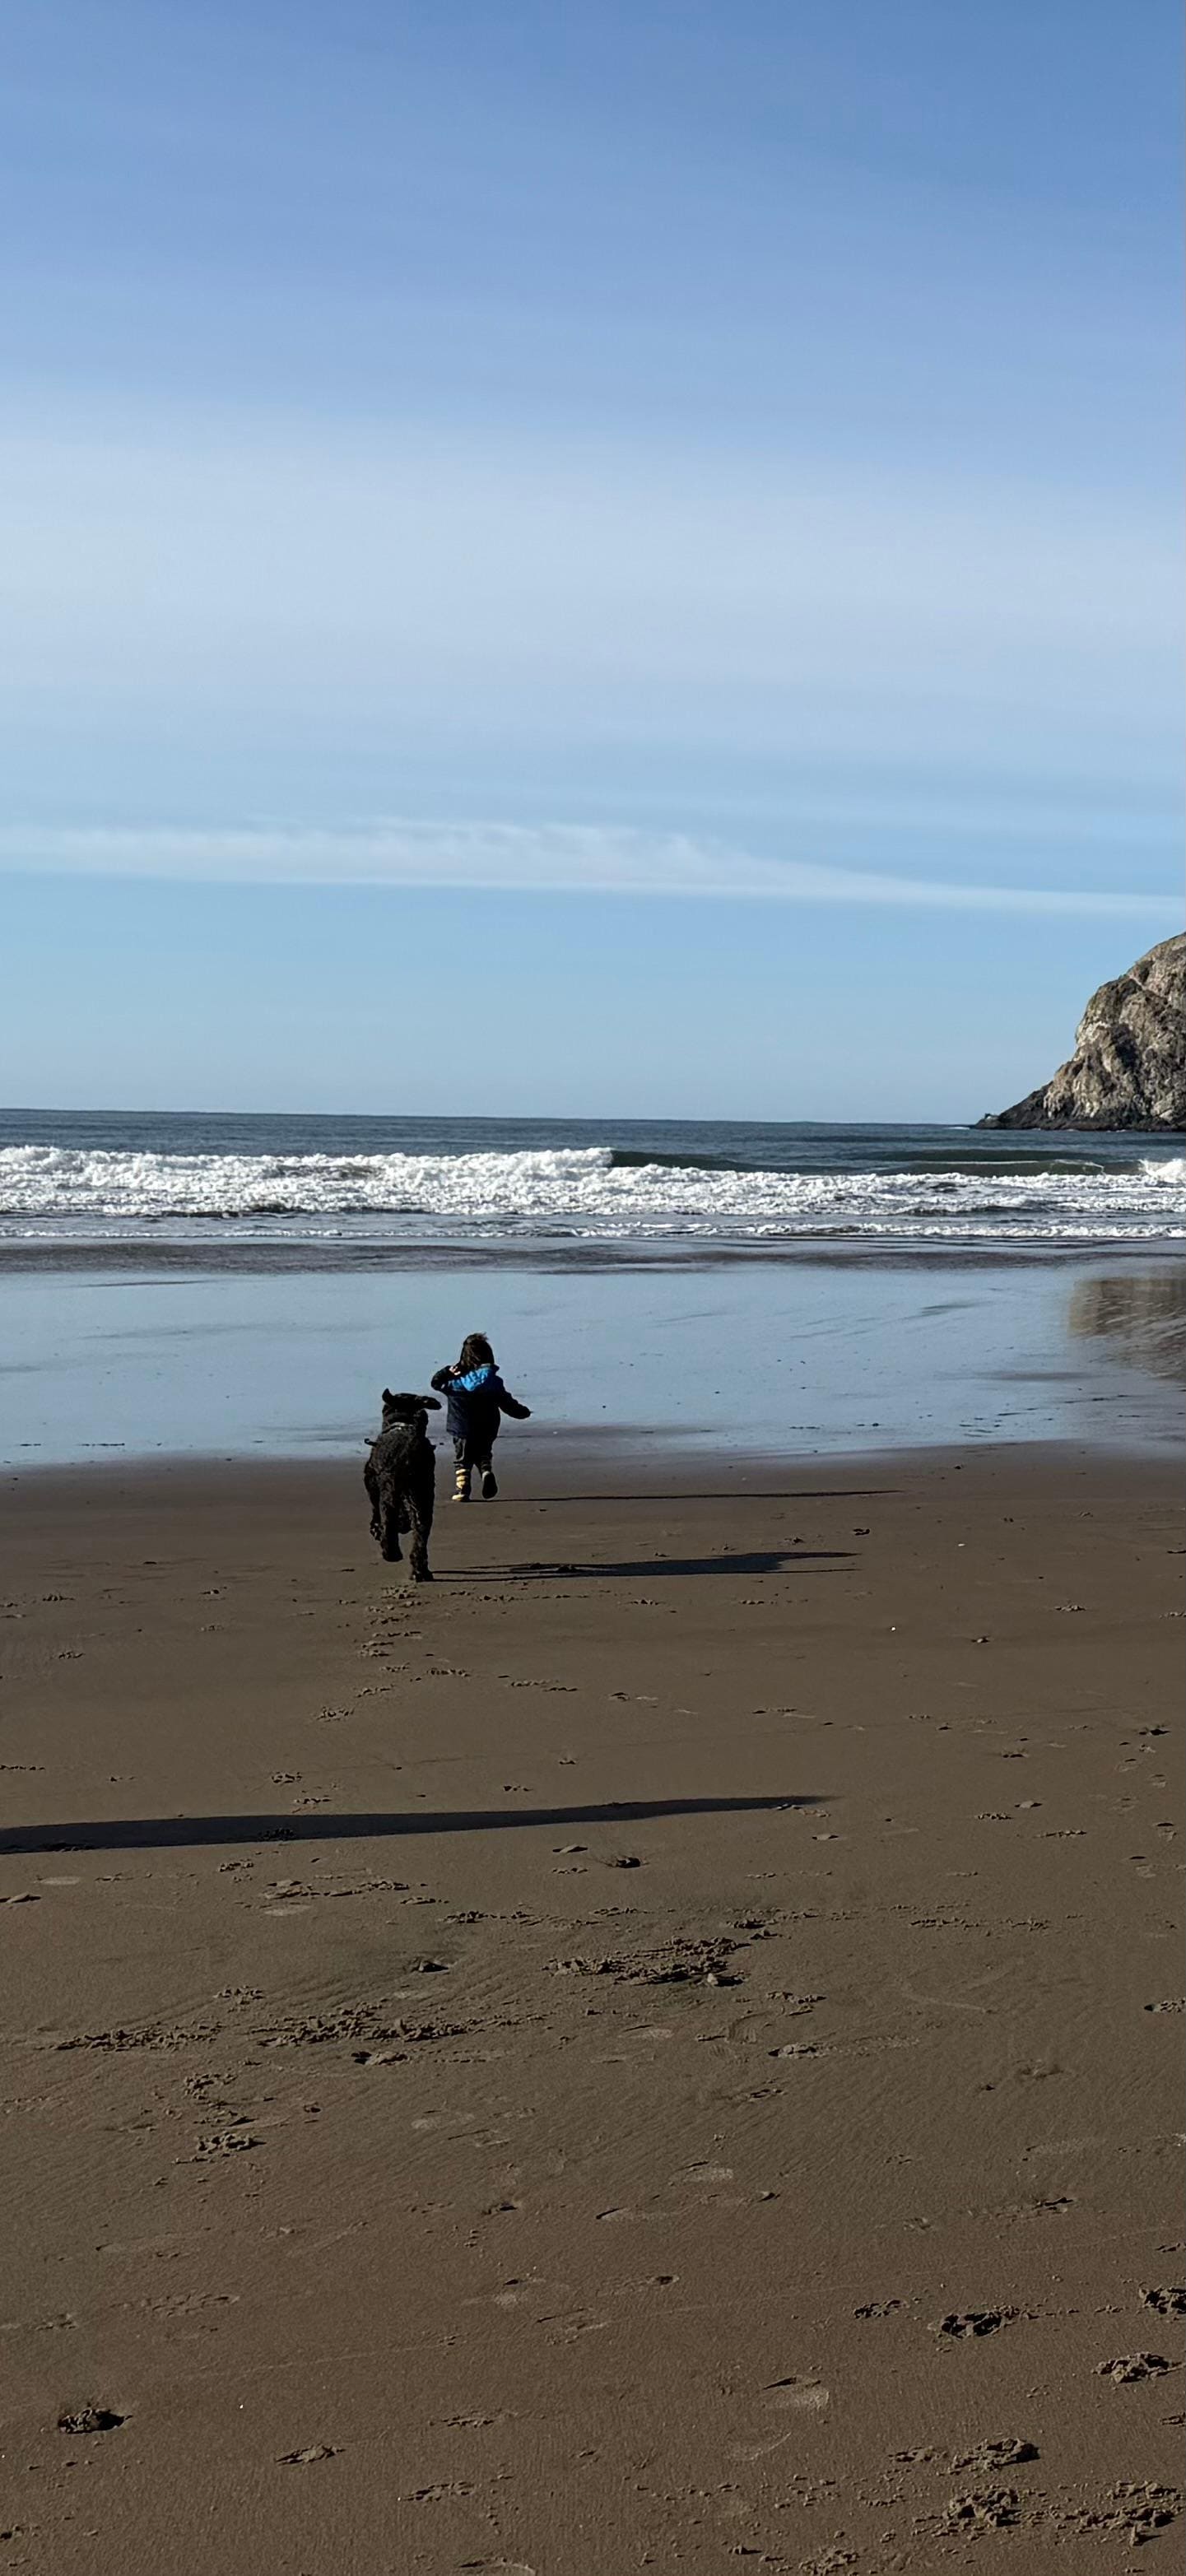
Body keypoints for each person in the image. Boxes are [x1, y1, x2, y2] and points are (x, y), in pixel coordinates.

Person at [430, 1332, 532, 1502]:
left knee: (462, 1460)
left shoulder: (455, 1382)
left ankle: (462, 1488)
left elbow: (435, 1383)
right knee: (484, 1453)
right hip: (487, 1427)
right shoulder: (493, 1381)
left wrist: (447, 1371)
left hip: (462, 1428)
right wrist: (522, 1412)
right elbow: (506, 1402)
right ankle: (486, 1471)